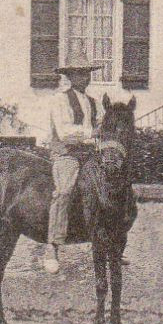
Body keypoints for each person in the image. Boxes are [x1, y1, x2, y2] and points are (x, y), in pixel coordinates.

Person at [42, 60, 102, 274]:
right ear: (70, 76)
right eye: (79, 73)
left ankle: (110, 242)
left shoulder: (95, 102)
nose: (85, 78)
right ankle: (52, 247)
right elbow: (65, 131)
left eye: (87, 73)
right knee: (64, 192)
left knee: (111, 187)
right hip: (67, 154)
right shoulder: (60, 100)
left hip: (90, 155)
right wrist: (91, 134)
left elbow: (102, 127)